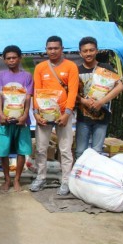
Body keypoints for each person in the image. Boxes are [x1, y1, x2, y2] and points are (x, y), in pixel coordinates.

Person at [30, 36, 79, 195]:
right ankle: (41, 177)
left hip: (63, 115)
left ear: (62, 48)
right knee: (41, 148)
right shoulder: (40, 68)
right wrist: (36, 113)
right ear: (46, 50)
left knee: (65, 149)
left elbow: (73, 91)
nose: (52, 51)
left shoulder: (71, 67)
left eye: (56, 48)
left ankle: (66, 181)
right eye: (49, 48)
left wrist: (67, 114)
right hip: (44, 115)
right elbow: (36, 92)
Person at [0, 45, 33, 192]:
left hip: (22, 121)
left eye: (14, 57)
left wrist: (25, 116)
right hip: (5, 121)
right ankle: (7, 180)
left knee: (21, 151)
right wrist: (1, 115)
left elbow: (28, 98)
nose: (11, 60)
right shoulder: (1, 76)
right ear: (4, 60)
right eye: (8, 58)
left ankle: (17, 180)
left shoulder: (27, 76)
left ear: (20, 58)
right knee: (3, 151)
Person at [75, 37, 123, 158]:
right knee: (80, 151)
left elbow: (119, 87)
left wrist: (101, 102)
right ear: (80, 53)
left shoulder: (105, 68)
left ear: (96, 51)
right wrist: (83, 101)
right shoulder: (76, 70)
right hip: (83, 118)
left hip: (102, 117)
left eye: (91, 50)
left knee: (97, 152)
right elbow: (71, 92)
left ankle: (94, 176)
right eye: (85, 51)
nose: (88, 53)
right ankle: (80, 176)